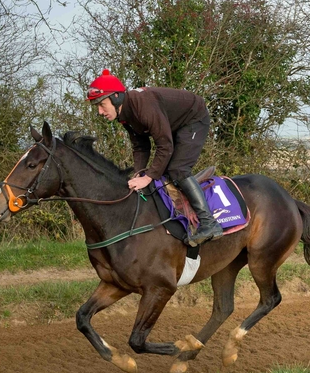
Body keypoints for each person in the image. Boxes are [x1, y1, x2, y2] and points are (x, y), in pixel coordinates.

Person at [86, 69, 224, 247]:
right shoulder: (124, 115)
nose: (99, 111)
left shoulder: (143, 106)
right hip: (175, 123)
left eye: (101, 104)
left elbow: (165, 145)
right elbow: (141, 146)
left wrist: (149, 177)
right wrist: (139, 174)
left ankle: (209, 223)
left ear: (116, 97)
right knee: (163, 171)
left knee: (177, 170)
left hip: (194, 118)